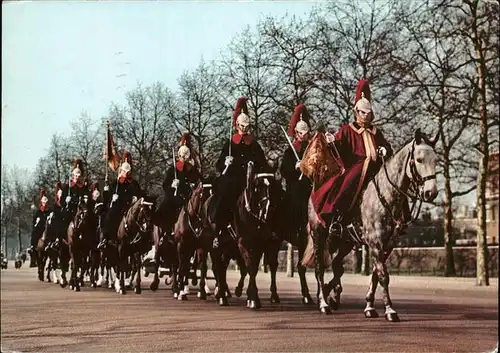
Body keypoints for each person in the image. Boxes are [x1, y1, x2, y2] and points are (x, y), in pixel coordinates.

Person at [311, 79, 397, 237]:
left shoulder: (376, 131)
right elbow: (339, 150)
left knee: (396, 182)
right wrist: (332, 142)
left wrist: (384, 149)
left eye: (368, 113)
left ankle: (400, 218)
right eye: (362, 113)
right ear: (356, 112)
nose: (365, 116)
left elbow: (387, 147)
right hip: (356, 168)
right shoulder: (347, 130)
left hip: (376, 168)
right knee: (349, 182)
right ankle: (338, 218)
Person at [209, 97, 268, 241]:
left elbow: (263, 163)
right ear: (237, 125)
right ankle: (220, 229)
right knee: (223, 195)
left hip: (251, 180)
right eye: (242, 126)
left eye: (246, 127)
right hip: (233, 180)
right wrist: (226, 162)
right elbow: (219, 165)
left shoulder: (254, 145)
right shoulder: (230, 144)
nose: (244, 129)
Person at [279, 104, 313, 243]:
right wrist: (295, 167)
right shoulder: (290, 151)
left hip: (311, 185)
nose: (303, 137)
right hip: (296, 188)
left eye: (306, 134)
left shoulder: (312, 148)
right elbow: (283, 171)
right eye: (301, 134)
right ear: (296, 133)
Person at [98, 151, 143, 249]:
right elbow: (107, 198)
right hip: (118, 206)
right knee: (109, 216)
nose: (125, 173)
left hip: (131, 207)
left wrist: (136, 197)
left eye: (127, 172)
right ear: (121, 170)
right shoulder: (116, 183)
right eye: (123, 171)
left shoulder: (134, 183)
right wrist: (108, 193)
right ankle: (106, 238)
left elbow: (140, 194)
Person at [28, 189, 51, 255]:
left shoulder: (49, 211)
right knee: (34, 233)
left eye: (46, 203)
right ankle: (32, 246)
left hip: (48, 228)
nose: (45, 205)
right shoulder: (38, 212)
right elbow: (34, 222)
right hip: (40, 228)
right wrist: (36, 223)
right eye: (44, 203)